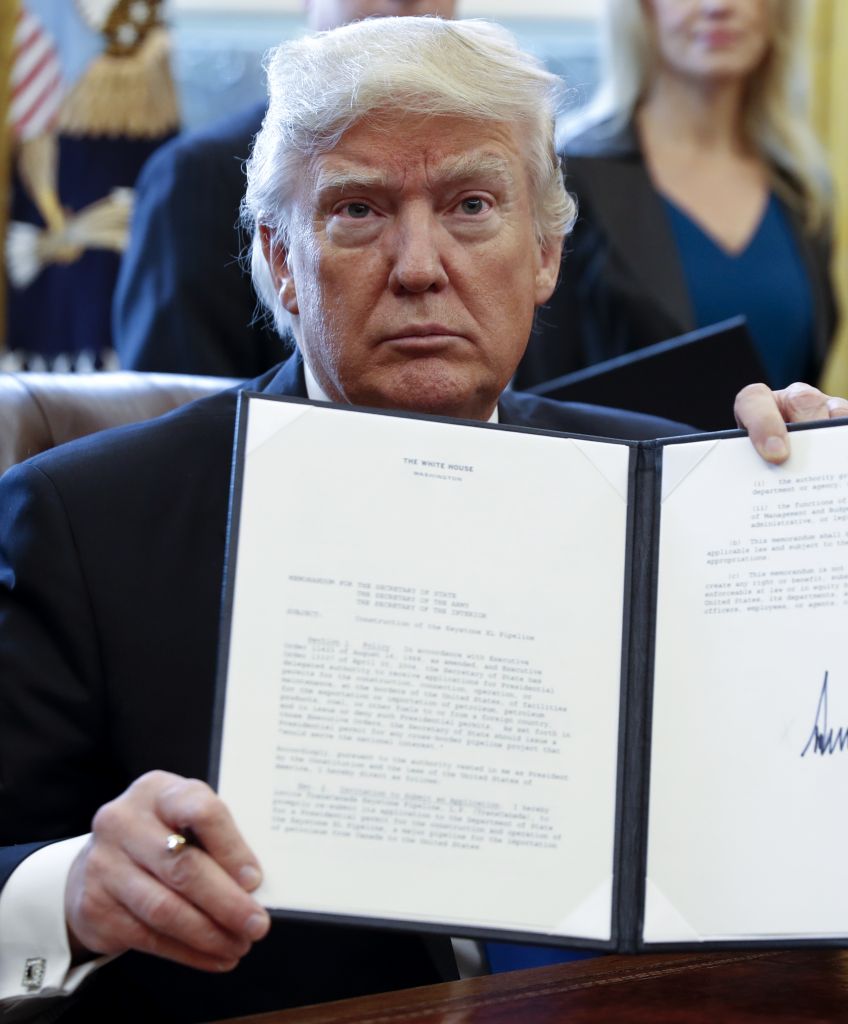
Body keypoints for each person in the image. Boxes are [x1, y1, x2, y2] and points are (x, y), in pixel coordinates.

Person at [0, 16, 845, 1024]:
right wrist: (75, 889)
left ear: (543, 253)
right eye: (356, 211)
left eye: (471, 206)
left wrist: (807, 531)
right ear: (278, 260)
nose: (417, 265)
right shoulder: (85, 520)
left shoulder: (678, 489)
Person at [112, 0, 456, 378]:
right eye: (356, 209)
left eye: (471, 206)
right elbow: (184, 412)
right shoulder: (196, 177)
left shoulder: (522, 161)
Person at [514, 0, 837, 393]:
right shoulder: (570, 176)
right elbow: (537, 397)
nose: (719, 6)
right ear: (642, 10)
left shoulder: (802, 191)